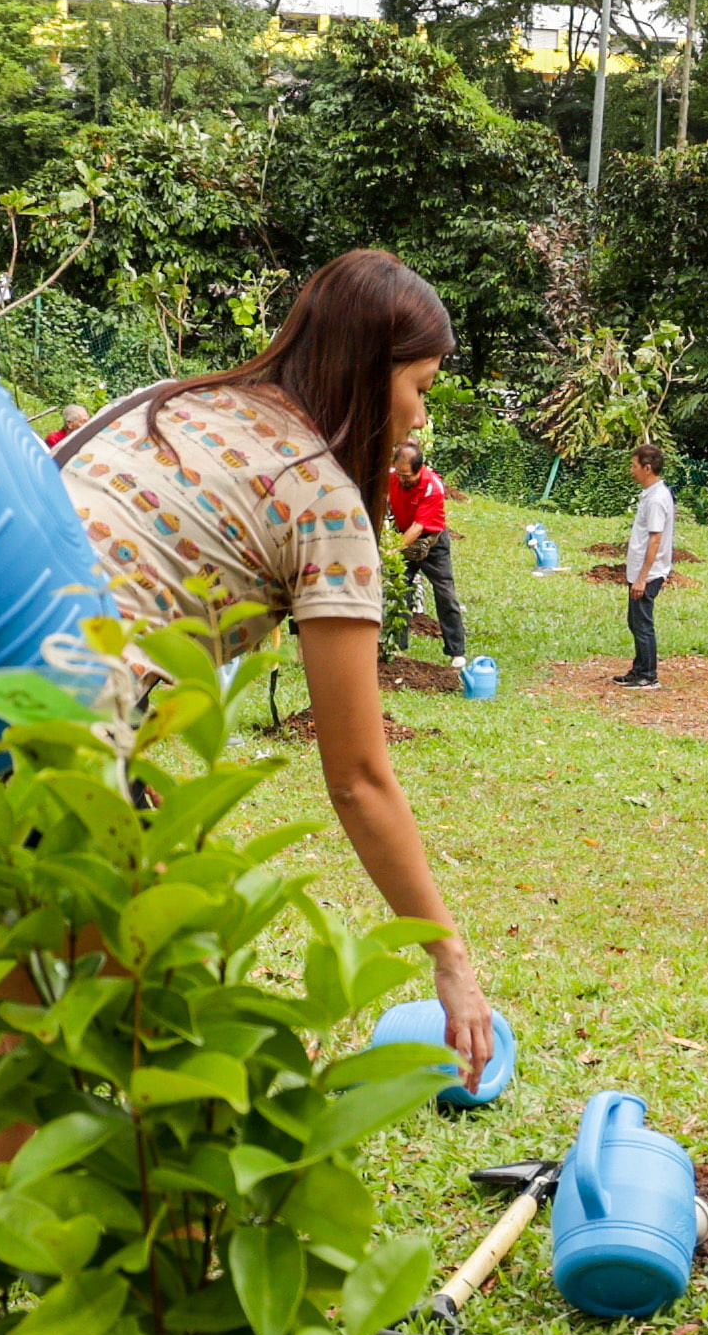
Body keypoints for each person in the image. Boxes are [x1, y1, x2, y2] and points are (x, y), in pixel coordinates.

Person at [55, 250, 499, 1079]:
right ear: (374, 375)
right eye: (422, 389)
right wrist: (450, 960)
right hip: (63, 733)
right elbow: (358, 778)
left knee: (30, 1042)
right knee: (182, 1047)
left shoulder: (174, 403)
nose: (419, 419)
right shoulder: (322, 496)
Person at [384, 441, 466, 661]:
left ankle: (456, 651)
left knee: (445, 594)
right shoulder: (393, 476)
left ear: (420, 469)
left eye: (407, 476)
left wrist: (395, 549)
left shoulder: (432, 486)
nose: (402, 480)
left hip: (431, 543)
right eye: (399, 474)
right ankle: (394, 646)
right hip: (403, 535)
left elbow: (418, 526)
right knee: (397, 589)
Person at [616, 439, 677, 685]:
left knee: (642, 624)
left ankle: (648, 676)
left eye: (634, 465)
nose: (631, 470)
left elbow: (655, 540)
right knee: (635, 621)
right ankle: (639, 669)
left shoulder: (656, 499)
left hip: (648, 573)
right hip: (643, 571)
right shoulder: (652, 494)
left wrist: (643, 577)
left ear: (647, 468)